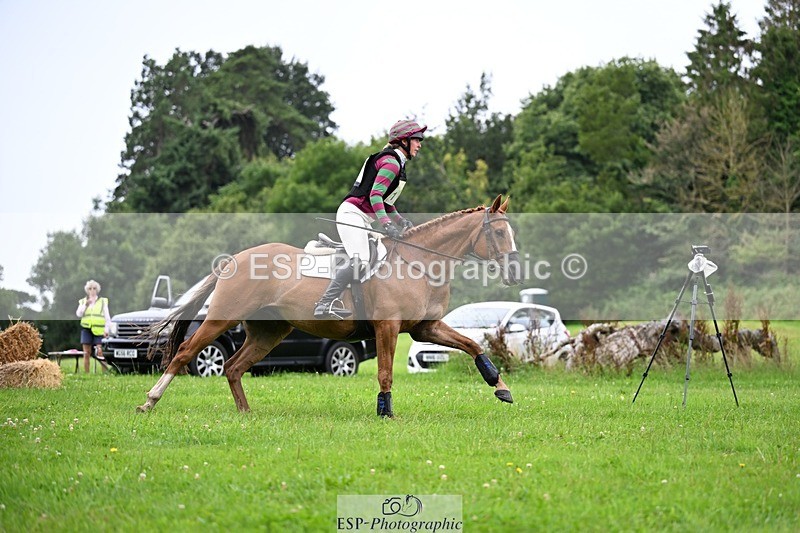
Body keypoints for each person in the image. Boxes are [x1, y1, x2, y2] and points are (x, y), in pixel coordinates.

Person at [313, 119, 426, 319]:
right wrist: (387, 224)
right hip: (353, 214)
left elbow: (386, 201)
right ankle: (325, 303)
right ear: (404, 141)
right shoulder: (391, 163)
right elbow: (375, 196)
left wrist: (400, 220)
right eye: (417, 140)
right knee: (362, 260)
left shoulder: (396, 164)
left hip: (363, 218)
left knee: (384, 253)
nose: (420, 144)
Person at [75, 279, 111, 372]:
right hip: (86, 329)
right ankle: (86, 373)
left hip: (99, 330)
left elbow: (107, 317)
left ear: (97, 289)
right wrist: (85, 305)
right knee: (86, 353)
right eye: (90, 288)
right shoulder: (83, 301)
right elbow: (78, 314)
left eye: (94, 288)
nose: (92, 290)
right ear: (87, 290)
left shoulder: (102, 301)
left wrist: (106, 330)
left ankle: (105, 372)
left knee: (100, 352)